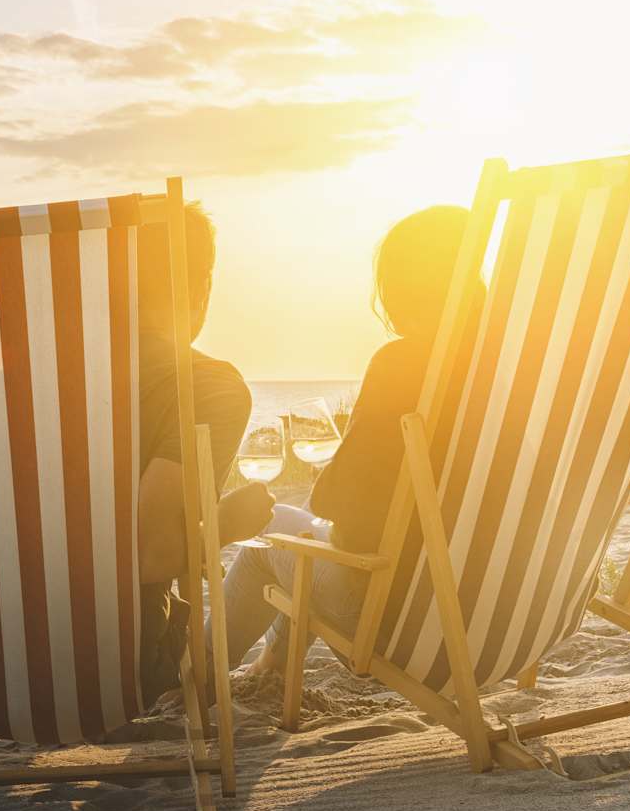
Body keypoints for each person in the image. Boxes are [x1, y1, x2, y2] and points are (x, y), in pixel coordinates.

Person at [217, 205, 483, 677]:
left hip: (408, 627)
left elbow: (344, 514)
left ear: (399, 288)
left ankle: (200, 678)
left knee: (274, 535)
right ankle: (272, 667)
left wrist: (332, 478)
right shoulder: (522, 370)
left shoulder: (404, 364)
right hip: (501, 612)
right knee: (293, 528)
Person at [133, 203, 274, 705]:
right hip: (122, 666)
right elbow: (151, 552)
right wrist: (228, 524)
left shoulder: (13, 385)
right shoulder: (207, 386)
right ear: (203, 287)